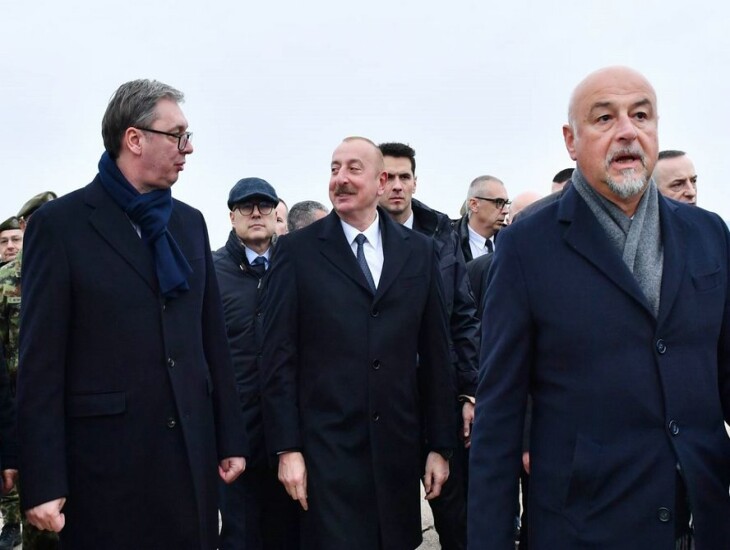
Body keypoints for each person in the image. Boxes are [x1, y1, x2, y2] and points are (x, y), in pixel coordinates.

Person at [468, 66, 730, 549]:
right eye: (605, 118)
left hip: (704, 514)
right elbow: (499, 414)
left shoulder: (707, 233)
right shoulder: (527, 246)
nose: (627, 131)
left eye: (641, 115)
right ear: (571, 140)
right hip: (589, 524)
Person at [16, 79, 247, 549]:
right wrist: (42, 480)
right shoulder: (60, 226)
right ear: (135, 139)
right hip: (105, 468)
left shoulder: (189, 223)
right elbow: (40, 364)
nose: (188, 148)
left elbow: (211, 340)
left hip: (189, 456)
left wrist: (230, 437)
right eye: (177, 135)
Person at [262, 137, 456, 550]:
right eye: (334, 169)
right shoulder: (297, 252)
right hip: (326, 453)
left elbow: (437, 354)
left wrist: (440, 445)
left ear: (381, 181)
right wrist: (287, 448)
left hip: (396, 453)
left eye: (353, 168)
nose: (340, 179)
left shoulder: (419, 252)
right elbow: (278, 356)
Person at [378, 141, 479, 550]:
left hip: (441, 392)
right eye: (388, 177)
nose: (396, 186)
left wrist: (469, 391)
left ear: (415, 182)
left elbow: (464, 315)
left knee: (457, 515)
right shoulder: (360, 238)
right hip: (388, 398)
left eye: (404, 177)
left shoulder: (441, 232)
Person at [213, 177, 299, 550]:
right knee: (240, 534)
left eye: (264, 205)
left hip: (290, 432)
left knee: (291, 533)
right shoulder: (210, 272)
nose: (256, 213)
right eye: (245, 207)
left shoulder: (294, 267)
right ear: (232, 216)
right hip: (236, 432)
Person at [0, 191, 57, 550]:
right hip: (21, 407)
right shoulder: (5, 280)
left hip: (71, 409)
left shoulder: (76, 268)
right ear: (25, 226)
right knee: (37, 511)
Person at [454, 176, 510, 262]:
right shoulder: (446, 242)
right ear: (474, 205)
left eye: (506, 203)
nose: (506, 211)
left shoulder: (511, 240)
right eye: (499, 202)